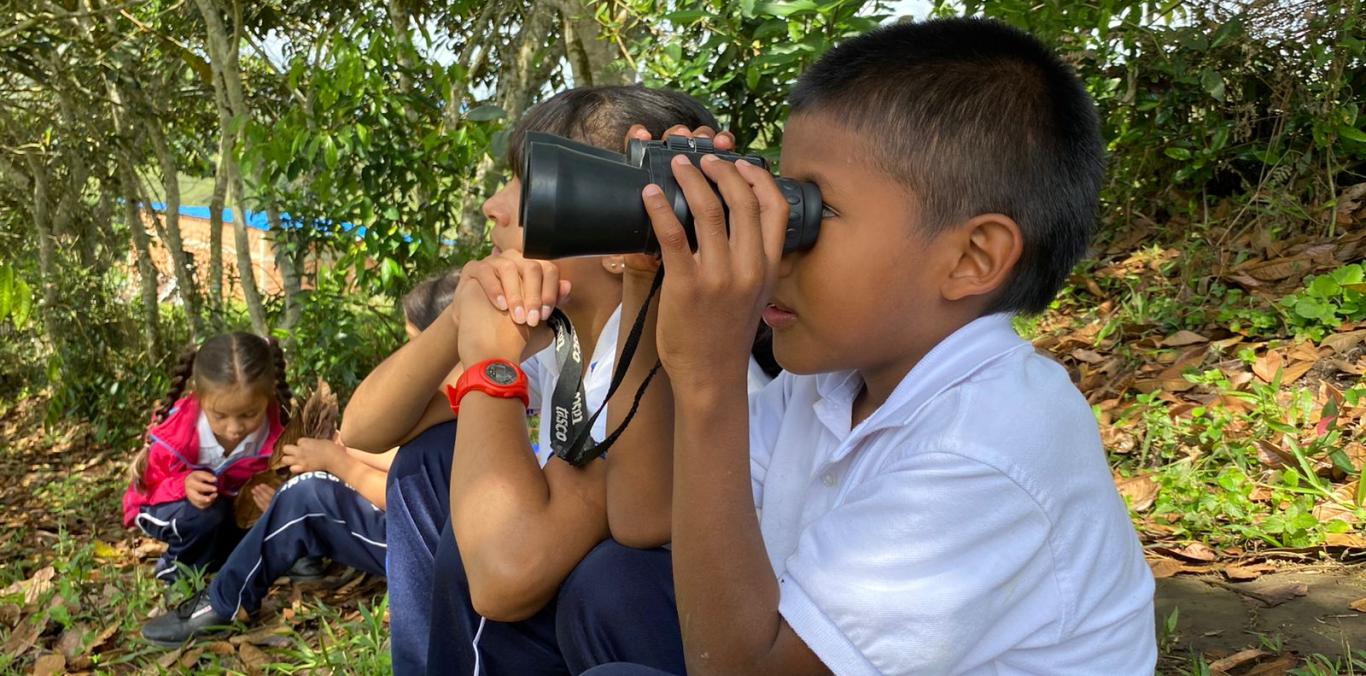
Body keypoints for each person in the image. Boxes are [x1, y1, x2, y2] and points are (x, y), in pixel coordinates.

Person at [580, 17, 1156, 675]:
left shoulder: (990, 443)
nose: (773, 245)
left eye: (805, 212)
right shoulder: (832, 381)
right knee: (613, 591)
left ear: (971, 257)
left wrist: (710, 375)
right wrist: (656, 273)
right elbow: (645, 515)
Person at [340, 85, 725, 675]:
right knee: (428, 461)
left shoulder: (659, 354)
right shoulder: (564, 337)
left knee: (488, 546)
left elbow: (503, 578)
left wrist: (490, 369)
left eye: (532, 182)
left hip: (654, 629)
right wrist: (463, 313)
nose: (496, 204)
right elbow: (364, 427)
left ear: (624, 231)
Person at [138, 273, 458, 647]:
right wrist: (343, 450)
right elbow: (408, 464)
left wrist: (340, 463)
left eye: (417, 345)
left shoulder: (475, 406)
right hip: (433, 537)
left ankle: (226, 603)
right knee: (309, 490)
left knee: (307, 495)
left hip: (436, 551)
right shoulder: (461, 397)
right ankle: (270, 570)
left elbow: (413, 498)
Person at [123, 332, 291, 588]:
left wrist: (280, 500)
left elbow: (300, 486)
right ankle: (176, 574)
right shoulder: (177, 433)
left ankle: (219, 562)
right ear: (200, 398)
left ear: (268, 395)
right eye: (220, 416)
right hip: (171, 507)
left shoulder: (280, 434)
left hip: (233, 514)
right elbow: (148, 488)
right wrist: (183, 485)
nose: (234, 428)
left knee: (264, 516)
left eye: (249, 414)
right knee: (205, 516)